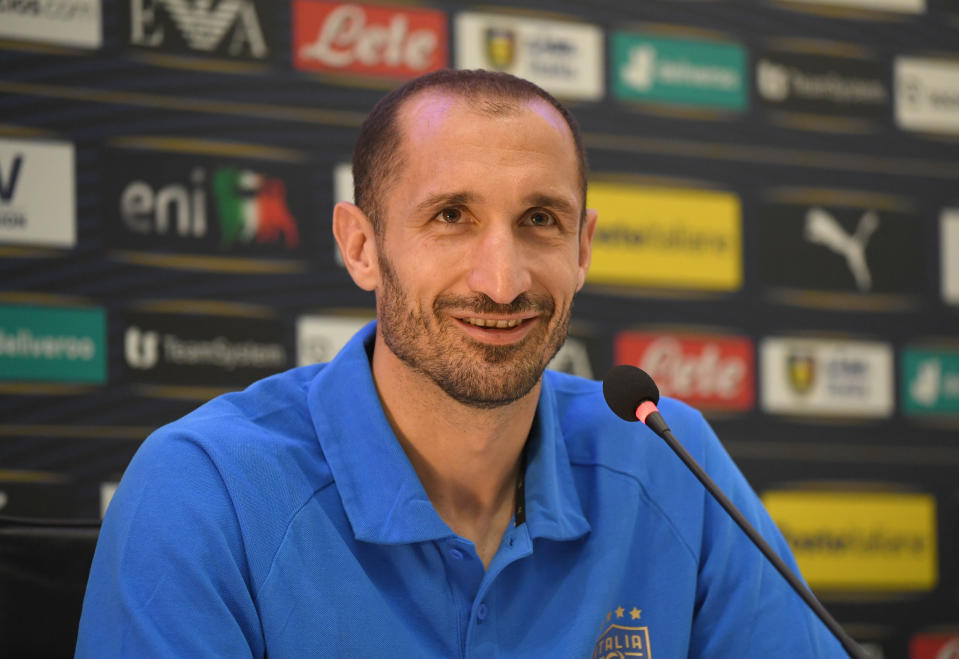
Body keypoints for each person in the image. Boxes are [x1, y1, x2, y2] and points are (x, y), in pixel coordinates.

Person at [76, 69, 846, 657]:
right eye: (451, 216)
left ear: (582, 249)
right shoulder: (205, 487)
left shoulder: (665, 453)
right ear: (360, 246)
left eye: (539, 220)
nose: (502, 280)